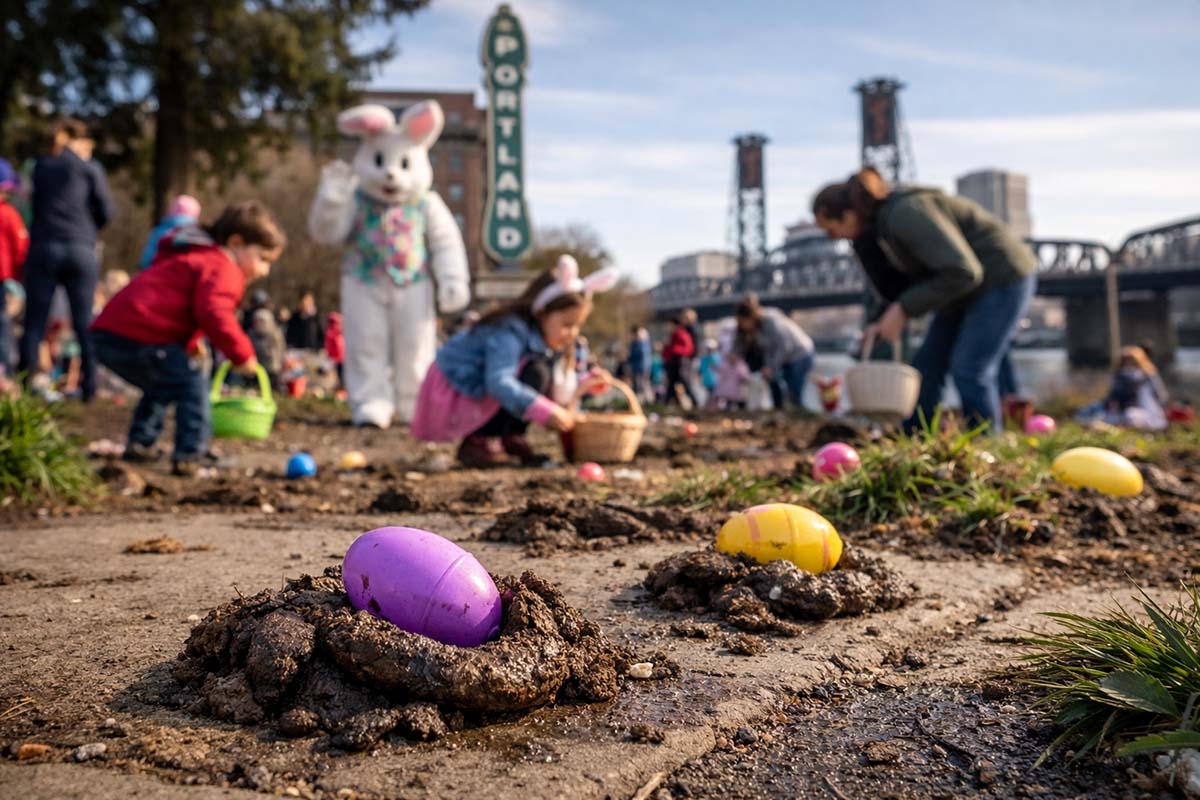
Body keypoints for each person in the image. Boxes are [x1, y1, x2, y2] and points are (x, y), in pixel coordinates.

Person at [813, 167, 1036, 432]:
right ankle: (916, 439)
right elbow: (898, 289)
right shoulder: (877, 232)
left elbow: (963, 271)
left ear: (849, 216)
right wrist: (880, 323)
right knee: (926, 369)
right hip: (959, 290)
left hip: (1001, 277)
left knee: (969, 369)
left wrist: (904, 310)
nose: (832, 238)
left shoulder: (906, 213)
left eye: (831, 229)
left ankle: (987, 448)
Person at [91, 201, 283, 475]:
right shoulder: (223, 267)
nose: (264, 271)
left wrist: (190, 344)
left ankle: (141, 443)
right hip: (137, 335)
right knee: (191, 383)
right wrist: (242, 354)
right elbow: (213, 311)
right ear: (237, 243)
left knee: (163, 383)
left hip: (113, 334)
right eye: (263, 259)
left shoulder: (197, 259)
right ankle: (191, 454)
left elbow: (175, 306)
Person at [411, 255, 618, 468]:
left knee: (540, 370)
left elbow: (556, 384)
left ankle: (509, 435)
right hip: (455, 389)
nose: (572, 333)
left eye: (578, 326)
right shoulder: (509, 331)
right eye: (567, 324)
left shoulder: (543, 342)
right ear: (542, 312)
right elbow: (499, 381)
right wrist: (543, 410)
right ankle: (481, 440)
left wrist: (586, 383)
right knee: (536, 372)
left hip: (482, 389)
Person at [17, 118, 114, 401]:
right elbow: (106, 209)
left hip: (44, 245)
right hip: (80, 248)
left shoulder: (39, 167)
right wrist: (86, 228)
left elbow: (28, 207)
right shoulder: (89, 168)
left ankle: (26, 385)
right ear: (80, 141)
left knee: (35, 321)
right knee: (84, 321)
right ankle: (90, 388)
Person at [733, 295, 814, 410]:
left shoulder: (770, 322)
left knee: (793, 388)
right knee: (777, 383)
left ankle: (798, 412)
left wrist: (770, 367)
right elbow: (739, 343)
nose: (741, 325)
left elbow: (783, 347)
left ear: (751, 317)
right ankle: (782, 409)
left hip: (800, 353)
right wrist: (735, 354)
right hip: (784, 357)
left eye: (742, 321)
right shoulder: (746, 329)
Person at [1077, 346, 1168, 431]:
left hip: (1143, 410)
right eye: (1126, 362)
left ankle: (1121, 428)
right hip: (1120, 410)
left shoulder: (1148, 376)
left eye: (1132, 362)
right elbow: (1113, 395)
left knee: (1130, 416)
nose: (1129, 366)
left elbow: (1161, 396)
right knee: (1096, 412)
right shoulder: (1120, 376)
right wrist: (1112, 403)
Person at [0, 158, 30, 381]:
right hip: (4, 277)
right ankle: (6, 372)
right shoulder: (9, 214)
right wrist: (21, 276)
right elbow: (21, 249)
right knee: (3, 323)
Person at [138, 195, 200, 270]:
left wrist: (144, 266)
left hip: (157, 272)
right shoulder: (197, 236)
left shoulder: (159, 231)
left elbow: (148, 255)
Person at [663, 315, 697, 407]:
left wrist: (674, 349)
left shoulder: (681, 333)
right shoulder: (674, 334)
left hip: (679, 362)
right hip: (673, 362)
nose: (668, 327)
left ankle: (695, 403)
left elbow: (688, 348)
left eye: (669, 325)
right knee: (671, 385)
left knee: (684, 383)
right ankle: (669, 404)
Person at [250, 307, 286, 389]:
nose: (258, 324)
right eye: (256, 321)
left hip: (272, 368)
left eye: (261, 321)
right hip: (256, 368)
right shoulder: (251, 333)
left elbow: (280, 350)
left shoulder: (275, 333)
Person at [627, 325, 652, 402]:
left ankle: (647, 400)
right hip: (637, 366)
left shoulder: (642, 343)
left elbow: (640, 354)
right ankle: (641, 400)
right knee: (638, 384)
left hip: (642, 367)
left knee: (642, 384)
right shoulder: (635, 343)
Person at [325, 311, 345, 389]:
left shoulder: (330, 332)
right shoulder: (339, 331)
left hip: (336, 358)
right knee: (338, 374)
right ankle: (340, 386)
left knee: (338, 373)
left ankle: (340, 386)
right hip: (338, 357)